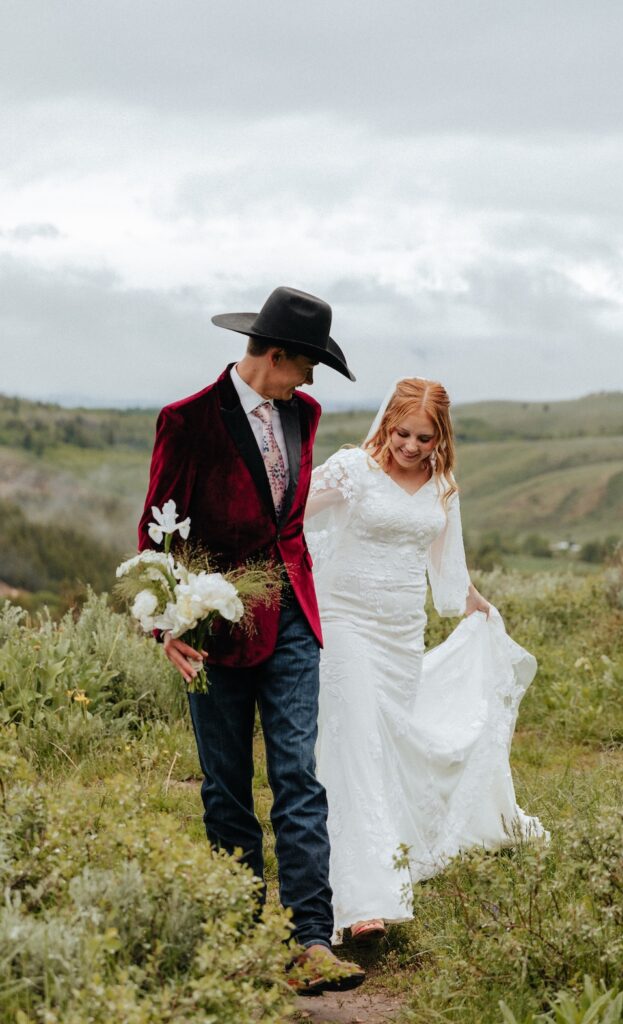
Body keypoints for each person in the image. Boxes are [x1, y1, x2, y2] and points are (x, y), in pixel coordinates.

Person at [138, 286, 365, 995]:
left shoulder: (306, 414)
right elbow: (155, 531)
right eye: (308, 363)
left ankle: (309, 940)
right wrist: (163, 626)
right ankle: (239, 940)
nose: (312, 378)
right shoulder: (187, 421)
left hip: (292, 615)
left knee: (299, 775)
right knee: (226, 785)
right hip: (212, 627)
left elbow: (286, 522)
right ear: (274, 355)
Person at [304, 377, 547, 943]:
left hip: (400, 636)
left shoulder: (443, 487)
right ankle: (364, 901)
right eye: (401, 432)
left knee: (387, 748)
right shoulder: (352, 470)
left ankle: (388, 853)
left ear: (441, 437)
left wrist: (480, 608)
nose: (410, 446)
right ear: (386, 423)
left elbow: (449, 571)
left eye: (424, 437)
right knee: (354, 745)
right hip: (343, 623)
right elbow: (287, 514)